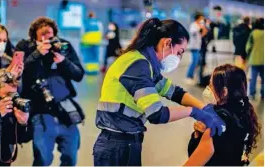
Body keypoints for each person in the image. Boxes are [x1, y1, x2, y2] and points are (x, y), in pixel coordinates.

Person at [93, 18, 225, 166]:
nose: (179, 58)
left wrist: (205, 109)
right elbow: (157, 114)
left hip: (124, 142)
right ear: (167, 43)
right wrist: (194, 112)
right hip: (116, 147)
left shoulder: (147, 63)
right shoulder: (138, 65)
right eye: (179, 52)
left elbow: (174, 92)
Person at [15, 17, 84, 166]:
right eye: (43, 35)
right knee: (42, 159)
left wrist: (63, 62)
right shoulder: (25, 47)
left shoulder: (63, 47)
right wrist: (37, 53)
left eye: (50, 36)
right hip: (41, 112)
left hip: (65, 109)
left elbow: (79, 75)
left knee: (71, 156)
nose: (48, 39)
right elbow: (19, 73)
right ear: (34, 37)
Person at [185, 64, 261, 166]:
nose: (208, 89)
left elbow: (193, 160)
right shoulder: (245, 113)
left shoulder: (215, 121)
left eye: (211, 86)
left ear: (224, 91)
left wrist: (196, 136)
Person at [186, 12, 208, 84]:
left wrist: (204, 28)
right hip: (194, 47)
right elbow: (193, 32)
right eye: (201, 18)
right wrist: (201, 27)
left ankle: (192, 76)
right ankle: (189, 76)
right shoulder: (193, 25)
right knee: (194, 62)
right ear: (198, 18)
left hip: (198, 47)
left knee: (197, 62)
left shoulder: (199, 25)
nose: (202, 19)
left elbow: (202, 34)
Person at [246, 17, 264, 100]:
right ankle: (263, 93)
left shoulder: (253, 33)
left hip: (254, 59)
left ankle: (252, 93)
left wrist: (248, 54)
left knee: (253, 77)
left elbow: (248, 46)